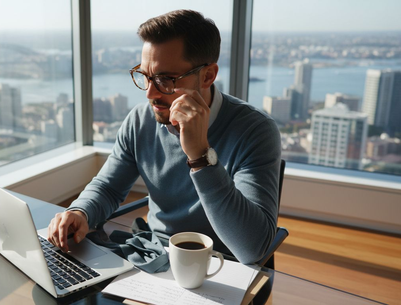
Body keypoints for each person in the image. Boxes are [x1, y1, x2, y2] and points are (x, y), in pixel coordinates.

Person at [47, 9, 281, 265]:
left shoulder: (255, 131)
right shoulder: (141, 120)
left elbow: (252, 248)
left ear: (207, 76)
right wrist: (81, 211)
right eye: (145, 76)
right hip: (156, 257)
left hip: (223, 267)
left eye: (165, 80)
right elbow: (108, 187)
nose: (149, 94)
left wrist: (201, 157)